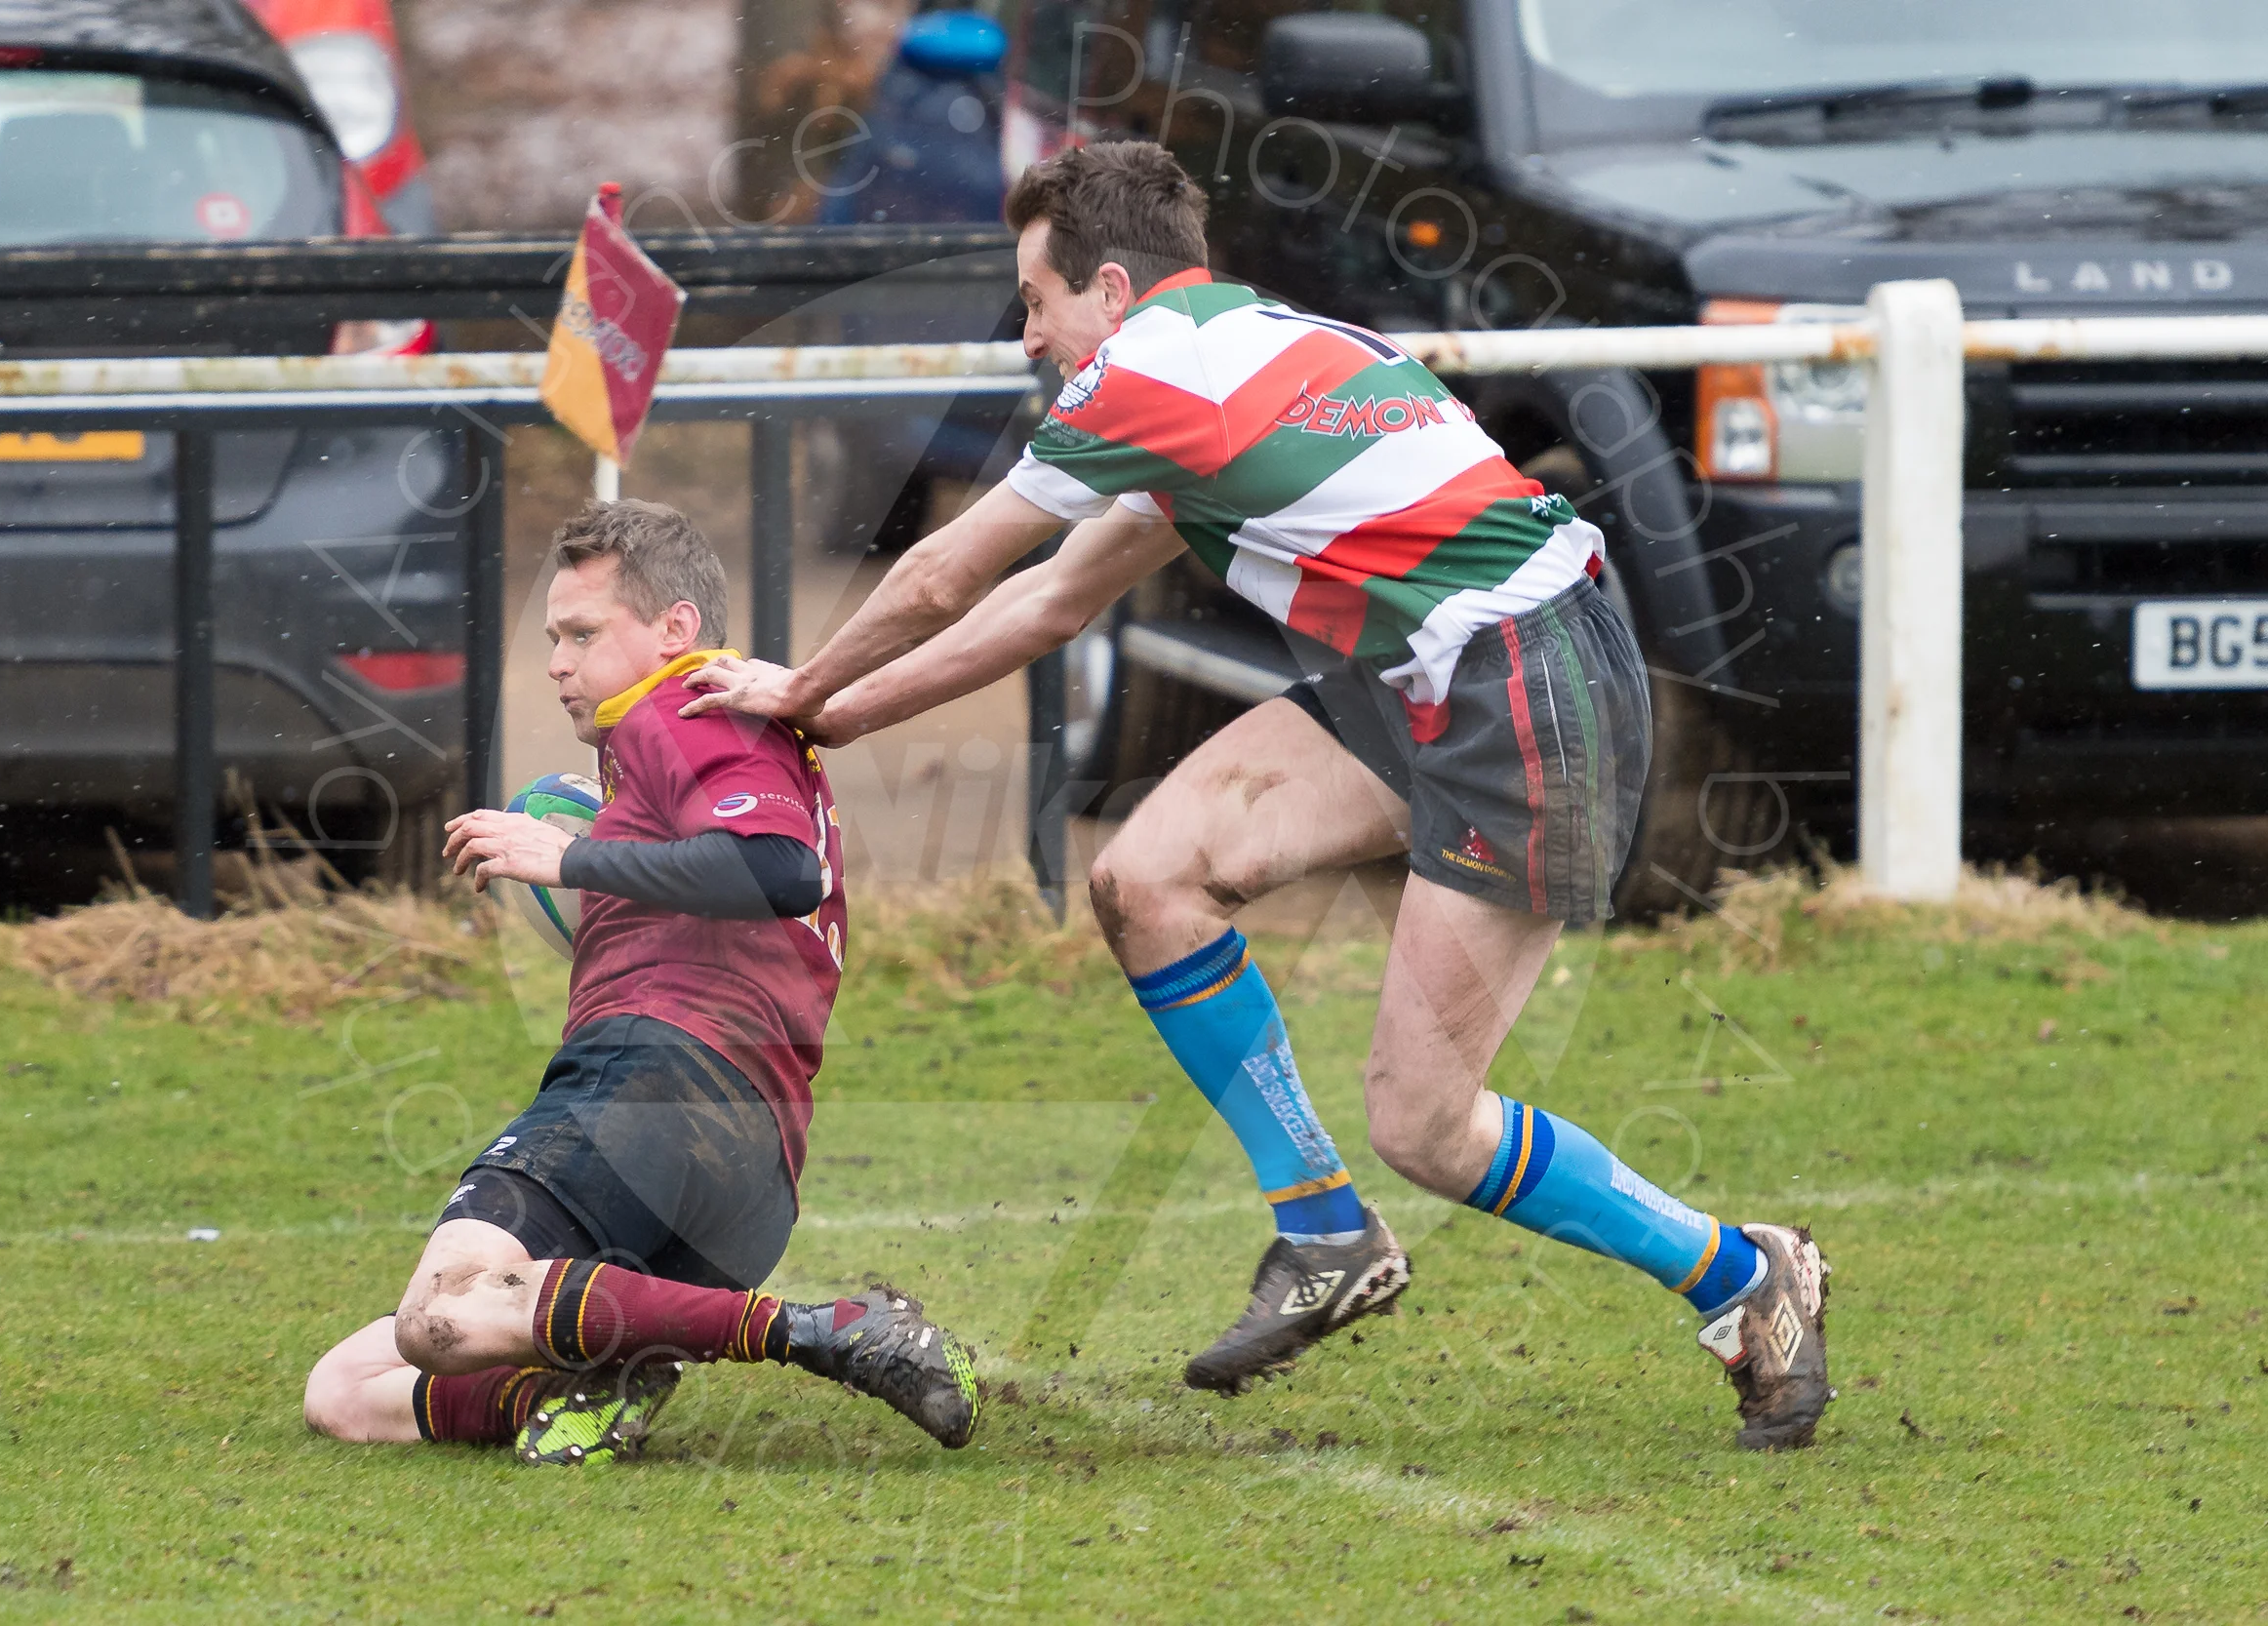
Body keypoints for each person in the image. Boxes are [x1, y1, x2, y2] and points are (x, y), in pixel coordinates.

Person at [681, 143, 1831, 1449]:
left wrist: (800, 682)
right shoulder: (1240, 356)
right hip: (1436, 669)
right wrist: (828, 714)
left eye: (1039, 302)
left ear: (1109, 290)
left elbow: (950, 567)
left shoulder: (1146, 374)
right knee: (1147, 877)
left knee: (1427, 1120)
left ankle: (1747, 1275)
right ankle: (1323, 1226)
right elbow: (1055, 597)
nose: (1032, 336)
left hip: (1525, 683)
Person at [303, 498, 980, 1465]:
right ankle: (604, 1371)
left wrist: (567, 858)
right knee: (346, 1389)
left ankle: (820, 1327)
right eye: (552, 636)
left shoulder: (683, 705)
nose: (557, 662)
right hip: (749, 1176)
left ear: (675, 629)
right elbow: (744, 868)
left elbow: (777, 870)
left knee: (438, 1312)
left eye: (582, 633)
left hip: (655, 1082)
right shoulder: (716, 747)